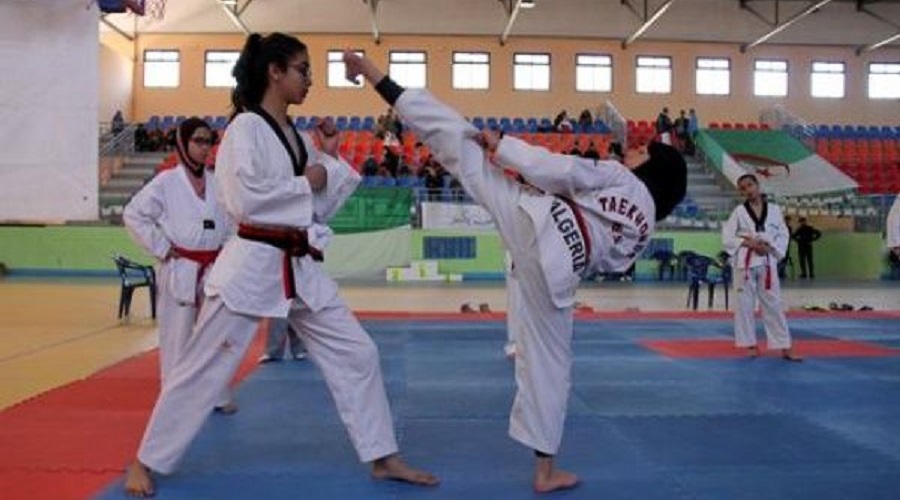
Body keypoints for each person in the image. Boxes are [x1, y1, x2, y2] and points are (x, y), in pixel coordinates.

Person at [344, 51, 686, 493]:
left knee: (460, 144)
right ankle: (545, 471)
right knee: (552, 365)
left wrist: (502, 144)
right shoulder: (644, 231)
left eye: (643, 151)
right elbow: (610, 263)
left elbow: (559, 168)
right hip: (562, 270)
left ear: (653, 166)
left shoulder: (621, 176)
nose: (634, 151)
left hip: (537, 222)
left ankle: (375, 75)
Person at [124, 33, 438, 498]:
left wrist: (326, 158)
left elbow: (317, 207)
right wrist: (304, 180)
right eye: (302, 70)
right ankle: (145, 460)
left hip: (298, 264)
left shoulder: (295, 136)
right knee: (201, 367)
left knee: (358, 353)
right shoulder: (244, 130)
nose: (309, 80)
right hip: (250, 264)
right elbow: (243, 200)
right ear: (275, 72)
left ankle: (382, 456)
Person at [123, 117, 237, 413]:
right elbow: (134, 215)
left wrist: (226, 251)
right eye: (197, 141)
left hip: (212, 268)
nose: (204, 148)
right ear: (183, 144)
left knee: (216, 335)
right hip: (181, 267)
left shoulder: (217, 182)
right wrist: (162, 247)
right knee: (177, 336)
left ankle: (218, 395)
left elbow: (231, 222)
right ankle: (175, 399)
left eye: (208, 141)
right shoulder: (166, 182)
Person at [722, 174, 802, 362]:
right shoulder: (739, 212)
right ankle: (750, 344)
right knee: (744, 306)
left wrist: (770, 247)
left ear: (757, 186)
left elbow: (783, 234)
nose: (747, 190)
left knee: (773, 305)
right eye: (743, 188)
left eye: (750, 185)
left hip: (767, 262)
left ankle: (784, 346)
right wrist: (747, 243)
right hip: (745, 264)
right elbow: (727, 237)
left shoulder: (774, 210)